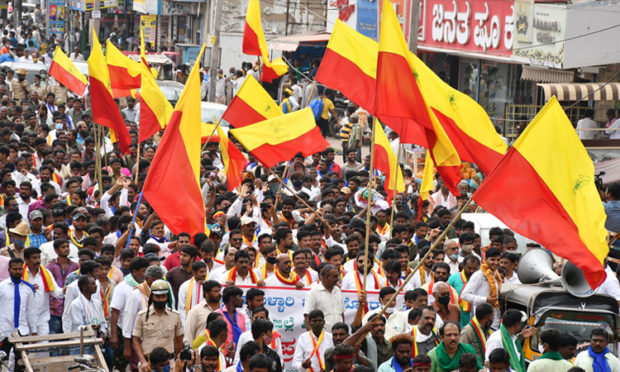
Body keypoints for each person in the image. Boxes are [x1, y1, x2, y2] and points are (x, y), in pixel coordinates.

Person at [132, 279, 183, 370]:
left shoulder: (175, 316)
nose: (160, 300)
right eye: (157, 296)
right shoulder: (142, 316)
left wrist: (178, 362)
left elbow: (179, 341)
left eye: (163, 296)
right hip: (148, 365)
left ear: (167, 297)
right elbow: (136, 340)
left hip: (169, 365)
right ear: (152, 296)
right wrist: (143, 361)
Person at [0, 258, 36, 360]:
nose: (17, 272)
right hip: (4, 330)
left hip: (22, 329)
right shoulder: (1, 287)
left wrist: (34, 330)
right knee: (2, 359)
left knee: (21, 360)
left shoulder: (28, 288)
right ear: (9, 270)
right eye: (14, 269)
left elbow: (31, 311)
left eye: (20, 269)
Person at [461, 247, 502, 329]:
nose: (496, 262)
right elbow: (464, 295)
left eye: (498, 260)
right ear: (485, 259)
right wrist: (485, 299)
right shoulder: (479, 275)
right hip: (481, 319)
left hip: (494, 318)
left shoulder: (496, 275)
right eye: (492, 260)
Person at [304, 264, 345, 332]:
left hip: (338, 337)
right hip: (322, 336)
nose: (338, 279)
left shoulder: (338, 291)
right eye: (335, 276)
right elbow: (307, 317)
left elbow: (341, 313)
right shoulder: (313, 293)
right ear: (326, 277)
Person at [184, 280, 222, 345]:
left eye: (219, 291)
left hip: (221, 352)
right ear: (206, 293)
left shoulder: (224, 309)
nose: (219, 293)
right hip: (201, 351)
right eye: (216, 291)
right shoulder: (196, 311)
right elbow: (188, 335)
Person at [177, 260, 208, 328]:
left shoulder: (209, 286)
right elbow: (181, 308)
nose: (204, 274)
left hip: (205, 324)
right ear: (194, 272)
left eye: (205, 271)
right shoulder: (185, 286)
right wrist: (185, 327)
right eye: (201, 272)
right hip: (189, 323)